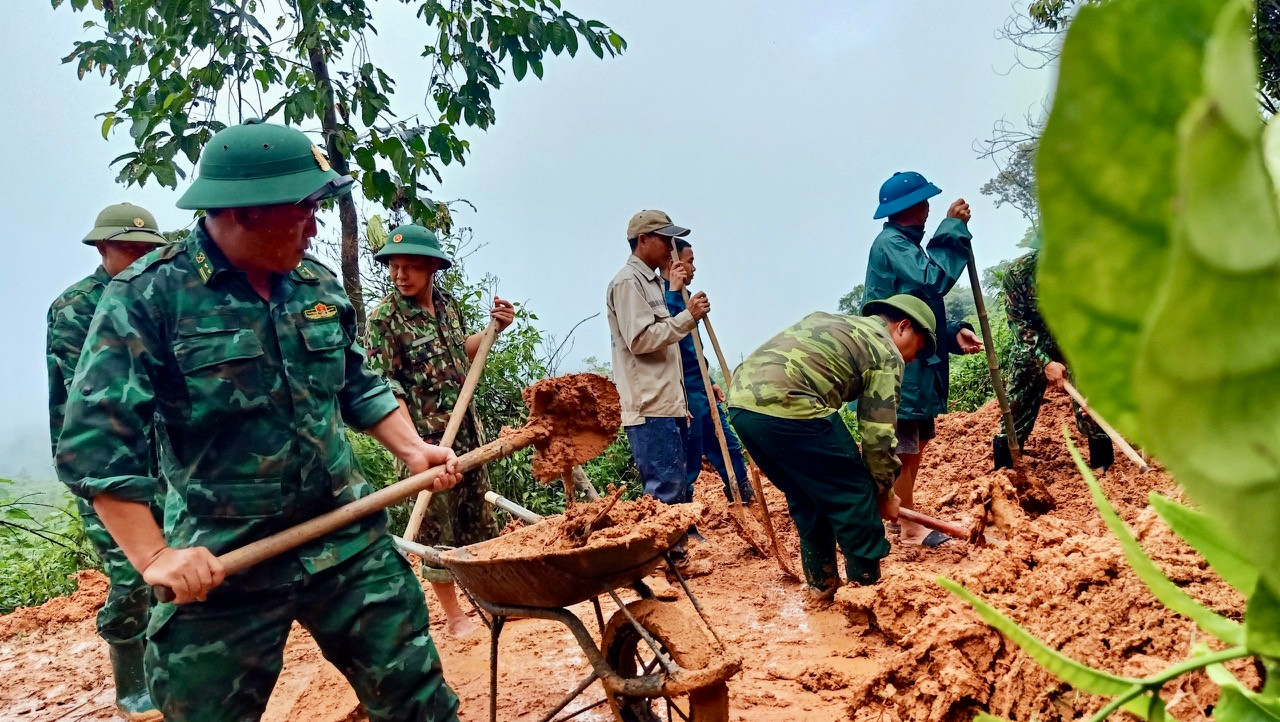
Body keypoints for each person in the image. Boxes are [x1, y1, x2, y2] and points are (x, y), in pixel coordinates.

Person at [55, 119, 464, 722]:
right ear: (244, 211)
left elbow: (356, 381)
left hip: (345, 537)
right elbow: (96, 441)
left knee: (420, 705)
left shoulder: (315, 285)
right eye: (303, 210)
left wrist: (412, 449)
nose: (315, 227)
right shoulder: (149, 297)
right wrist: (154, 557)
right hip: (223, 558)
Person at [727, 294, 937, 602]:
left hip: (741, 407)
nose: (912, 360)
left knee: (807, 493)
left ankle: (821, 586)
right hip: (790, 403)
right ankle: (866, 595)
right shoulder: (885, 350)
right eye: (917, 350)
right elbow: (878, 435)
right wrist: (883, 493)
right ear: (903, 327)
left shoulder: (839, 323)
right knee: (854, 492)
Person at [47, 202, 168, 721]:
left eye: (147, 249)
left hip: (167, 462)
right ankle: (131, 683)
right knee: (132, 572)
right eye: (129, 248)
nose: (140, 258)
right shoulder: (76, 308)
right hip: (106, 467)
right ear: (102, 248)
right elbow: (94, 396)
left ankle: (169, 671)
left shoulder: (160, 297)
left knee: (176, 563)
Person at [365, 223, 515, 637]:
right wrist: (414, 447)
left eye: (411, 266)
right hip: (425, 442)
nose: (401, 275)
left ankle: (495, 601)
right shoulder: (384, 319)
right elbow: (386, 389)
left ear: (433, 266)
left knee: (477, 518)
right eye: (394, 266)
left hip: (465, 434)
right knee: (437, 528)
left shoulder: (448, 305)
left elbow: (457, 352)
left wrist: (493, 330)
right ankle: (454, 616)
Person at [861, 171, 983, 547]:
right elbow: (932, 280)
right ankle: (908, 525)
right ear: (913, 208)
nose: (929, 208)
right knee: (903, 444)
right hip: (901, 364)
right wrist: (953, 229)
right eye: (925, 202)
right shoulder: (892, 244)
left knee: (916, 442)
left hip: (915, 363)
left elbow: (920, 308)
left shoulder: (905, 244)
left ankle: (900, 515)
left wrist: (952, 333)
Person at [606, 210, 710, 577]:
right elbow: (640, 341)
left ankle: (675, 560)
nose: (671, 246)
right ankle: (659, 566)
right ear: (643, 240)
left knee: (675, 485)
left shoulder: (652, 283)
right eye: (665, 239)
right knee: (664, 489)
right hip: (649, 405)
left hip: (666, 402)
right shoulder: (627, 283)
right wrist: (687, 317)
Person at [1000, 244, 1113, 468]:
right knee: (1014, 411)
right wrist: (1045, 361)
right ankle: (1006, 469)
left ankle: (1105, 470)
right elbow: (1019, 325)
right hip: (1032, 346)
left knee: (1093, 408)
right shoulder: (1018, 273)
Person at [660, 238, 753, 504]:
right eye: (690, 261)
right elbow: (669, 343)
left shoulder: (686, 298)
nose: (694, 268)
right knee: (689, 454)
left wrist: (708, 380)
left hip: (700, 386)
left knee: (727, 443)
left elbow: (693, 349)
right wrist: (674, 295)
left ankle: (741, 493)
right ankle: (683, 512)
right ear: (674, 262)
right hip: (684, 390)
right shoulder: (662, 298)